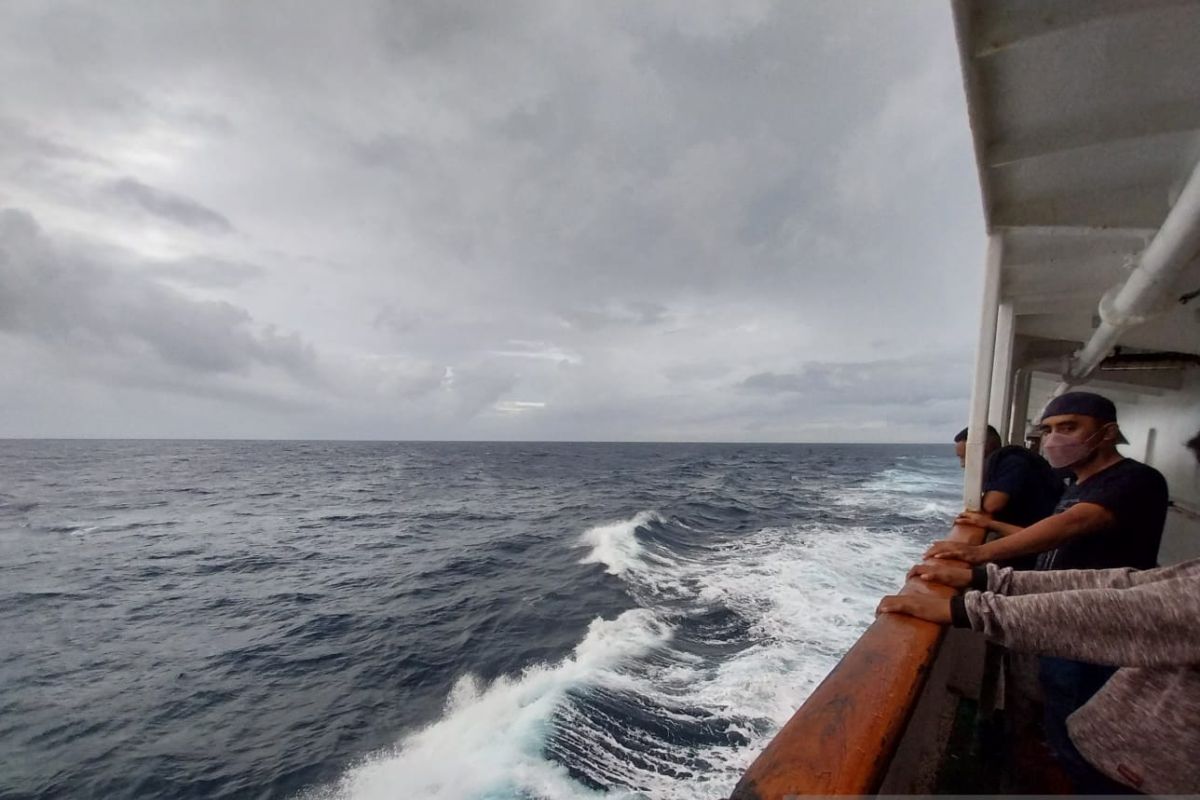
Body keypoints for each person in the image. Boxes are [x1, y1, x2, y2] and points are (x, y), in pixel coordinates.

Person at [924, 392, 1170, 788]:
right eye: (1049, 429)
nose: (1055, 438)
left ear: (1107, 433)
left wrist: (978, 552)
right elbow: (1050, 539)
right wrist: (983, 564)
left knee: (1094, 742)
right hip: (1063, 621)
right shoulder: (1075, 485)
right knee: (1063, 721)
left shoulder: (1135, 479)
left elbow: (1072, 526)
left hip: (1100, 630)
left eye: (1069, 427)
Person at [877, 555, 1200, 795]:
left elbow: (1134, 610)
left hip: (1153, 782)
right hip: (1123, 762)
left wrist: (967, 610)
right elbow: (1129, 586)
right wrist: (985, 579)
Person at [953, 424, 1063, 569]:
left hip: (1049, 555)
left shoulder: (1012, 462)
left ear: (983, 451)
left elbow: (992, 504)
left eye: (965, 458)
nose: (963, 465)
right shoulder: (1012, 459)